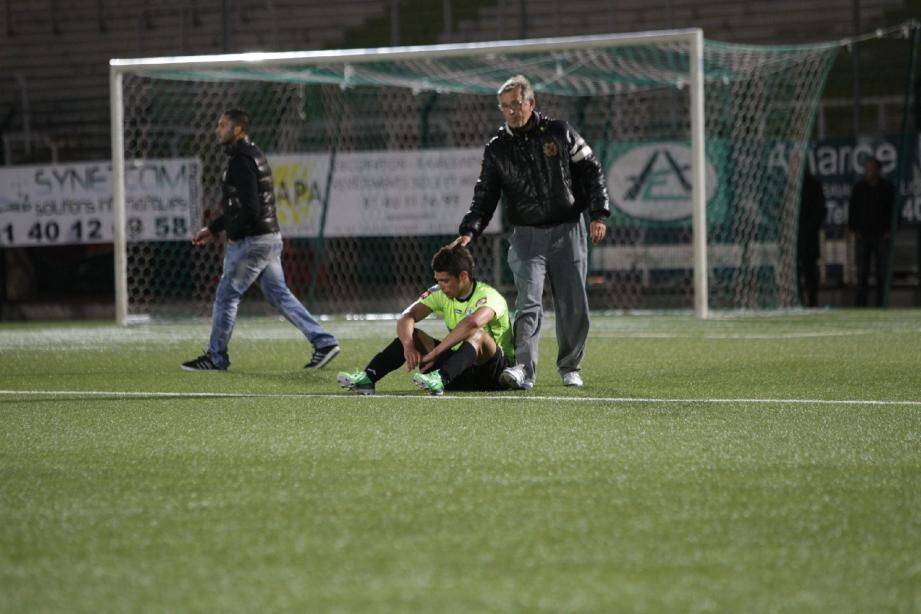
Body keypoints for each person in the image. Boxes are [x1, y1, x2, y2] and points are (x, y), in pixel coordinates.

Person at [449, 74, 610, 390]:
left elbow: (592, 170)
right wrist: (469, 230)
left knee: (573, 302)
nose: (511, 111)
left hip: (568, 229)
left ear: (531, 103)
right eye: (505, 106)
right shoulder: (497, 149)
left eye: (516, 104)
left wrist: (599, 212)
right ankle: (524, 369)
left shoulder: (560, 133)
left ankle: (570, 367)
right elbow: (485, 194)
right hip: (525, 235)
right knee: (528, 302)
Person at [181, 108, 340, 371]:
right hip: (267, 238)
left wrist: (233, 235)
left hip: (252, 242)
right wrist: (214, 228)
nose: (217, 130)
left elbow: (250, 209)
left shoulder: (242, 159)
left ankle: (216, 357)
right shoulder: (248, 155)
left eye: (222, 125)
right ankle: (324, 342)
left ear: (238, 129)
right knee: (278, 294)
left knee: (226, 296)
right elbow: (239, 207)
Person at [336, 246, 513, 396]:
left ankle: (439, 378)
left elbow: (471, 324)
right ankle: (368, 378)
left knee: (477, 335)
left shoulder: (489, 296)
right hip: (460, 370)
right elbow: (407, 316)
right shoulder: (441, 293)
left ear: (464, 277)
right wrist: (408, 346)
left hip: (492, 374)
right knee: (412, 334)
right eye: (438, 281)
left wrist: (436, 353)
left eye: (446, 281)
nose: (442, 286)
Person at [848, 157, 896, 307]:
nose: (869, 171)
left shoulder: (888, 188)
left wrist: (890, 230)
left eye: (872, 168)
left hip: (882, 235)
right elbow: (852, 210)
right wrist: (854, 229)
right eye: (867, 168)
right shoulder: (859, 188)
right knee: (862, 273)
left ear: (878, 170)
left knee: (882, 272)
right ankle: (860, 305)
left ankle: (881, 304)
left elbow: (895, 211)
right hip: (863, 236)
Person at [797, 170, 826, 307]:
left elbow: (820, 210)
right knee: (795, 271)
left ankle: (812, 302)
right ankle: (797, 300)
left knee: (810, 270)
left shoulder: (813, 185)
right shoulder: (788, 184)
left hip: (809, 236)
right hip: (794, 238)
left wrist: (810, 227)